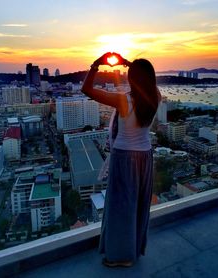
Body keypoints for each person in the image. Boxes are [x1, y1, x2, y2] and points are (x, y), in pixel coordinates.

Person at [82, 52, 161, 267]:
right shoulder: (155, 96)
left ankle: (121, 257)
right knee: (137, 205)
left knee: (120, 207)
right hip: (145, 157)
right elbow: (147, 84)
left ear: (132, 77)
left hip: (125, 157)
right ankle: (131, 249)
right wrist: (132, 65)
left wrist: (97, 64)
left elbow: (86, 89)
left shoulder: (124, 100)